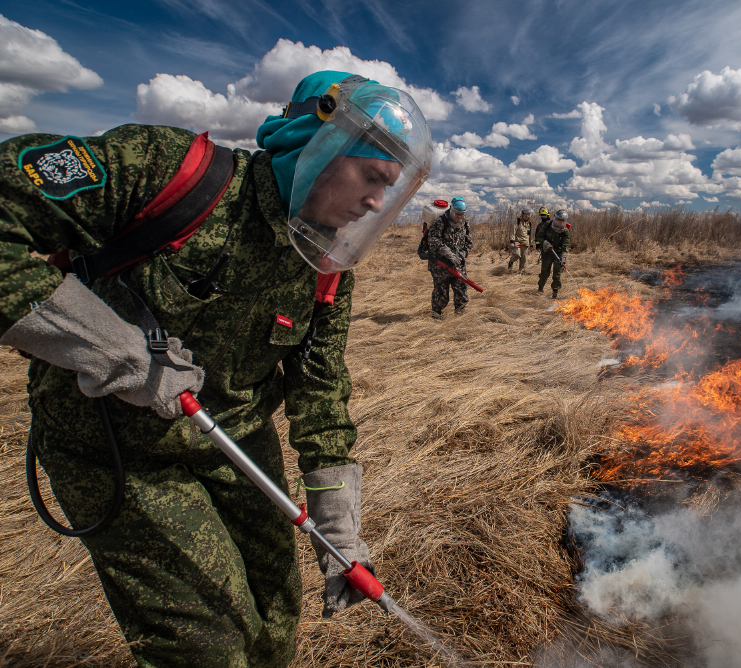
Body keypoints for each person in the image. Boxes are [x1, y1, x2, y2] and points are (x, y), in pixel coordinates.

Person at [0, 70, 432, 667]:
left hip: (235, 442)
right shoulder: (169, 172)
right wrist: (109, 346)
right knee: (208, 643)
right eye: (371, 177)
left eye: (390, 190)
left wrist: (340, 530)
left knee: (277, 613)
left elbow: (320, 390)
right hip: (115, 445)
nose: (375, 203)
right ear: (315, 143)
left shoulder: (327, 268)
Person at [427, 197, 473, 318]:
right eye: (457, 214)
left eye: (462, 214)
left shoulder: (465, 223)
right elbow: (433, 240)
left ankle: (460, 317)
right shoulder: (441, 222)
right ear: (451, 210)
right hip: (440, 266)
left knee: (461, 291)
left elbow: (469, 242)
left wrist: (463, 254)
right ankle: (436, 316)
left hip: (458, 265)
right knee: (441, 293)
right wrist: (448, 254)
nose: (459, 217)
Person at [535, 208, 570, 299]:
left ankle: (555, 292)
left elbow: (565, 245)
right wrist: (544, 243)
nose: (560, 223)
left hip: (557, 253)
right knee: (545, 273)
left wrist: (563, 257)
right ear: (555, 219)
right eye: (559, 220)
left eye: (562, 221)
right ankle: (540, 288)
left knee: (557, 274)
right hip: (547, 252)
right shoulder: (547, 225)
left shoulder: (565, 231)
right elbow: (538, 236)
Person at [507, 206, 533, 273]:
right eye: (525, 214)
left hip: (525, 243)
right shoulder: (517, 221)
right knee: (517, 254)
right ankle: (511, 262)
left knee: (524, 260)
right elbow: (513, 232)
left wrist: (531, 245)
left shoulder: (529, 223)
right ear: (522, 214)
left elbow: (530, 235)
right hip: (517, 242)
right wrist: (512, 242)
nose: (527, 216)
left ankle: (521, 272)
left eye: (528, 215)